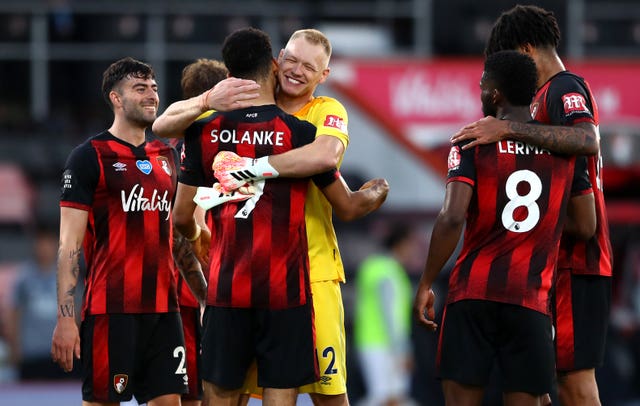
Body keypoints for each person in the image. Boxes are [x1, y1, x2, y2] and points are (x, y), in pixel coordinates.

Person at [172, 27, 388, 406]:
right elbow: (162, 124)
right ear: (276, 61)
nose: (296, 71)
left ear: (324, 76)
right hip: (259, 278)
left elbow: (325, 157)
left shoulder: (324, 113)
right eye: (291, 60)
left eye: (310, 67)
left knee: (328, 393)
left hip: (312, 271)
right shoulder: (275, 125)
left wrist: (250, 167)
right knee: (245, 391)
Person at [413, 50, 596, 406]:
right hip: (530, 301)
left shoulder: (471, 141)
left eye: (483, 84)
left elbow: (452, 217)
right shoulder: (564, 150)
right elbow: (586, 225)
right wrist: (544, 218)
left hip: (472, 296)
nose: (480, 90)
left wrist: (424, 283)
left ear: (495, 94)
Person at [451, 6, 612, 405]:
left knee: (573, 381)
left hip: (578, 261)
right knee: (539, 386)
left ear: (526, 49)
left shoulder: (562, 87)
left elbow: (586, 140)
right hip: (548, 265)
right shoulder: (543, 100)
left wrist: (506, 127)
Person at [50, 56, 206, 405]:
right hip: (111, 311)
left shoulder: (167, 155)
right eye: (140, 89)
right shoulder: (89, 156)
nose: (151, 95)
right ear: (115, 99)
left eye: (153, 88)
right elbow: (68, 245)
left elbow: (177, 239)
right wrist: (65, 317)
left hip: (165, 312)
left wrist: (204, 298)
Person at [174, 57, 230, 406]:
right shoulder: (209, 149)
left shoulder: (170, 149)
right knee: (206, 395)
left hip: (176, 291)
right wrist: (208, 296)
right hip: (202, 290)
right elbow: (189, 222)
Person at [7, 219, 81, 381]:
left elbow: (78, 316)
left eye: (48, 242)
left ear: (56, 244)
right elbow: (13, 316)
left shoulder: (69, 277)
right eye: (40, 242)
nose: (44, 248)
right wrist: (14, 349)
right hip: (31, 355)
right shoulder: (23, 279)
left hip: (62, 354)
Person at [353, 224, 416, 406]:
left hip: (369, 341)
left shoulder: (372, 267)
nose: (413, 251)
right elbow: (390, 314)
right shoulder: (388, 272)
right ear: (401, 245)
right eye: (411, 245)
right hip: (384, 345)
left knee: (391, 398)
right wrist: (402, 350)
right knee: (385, 399)